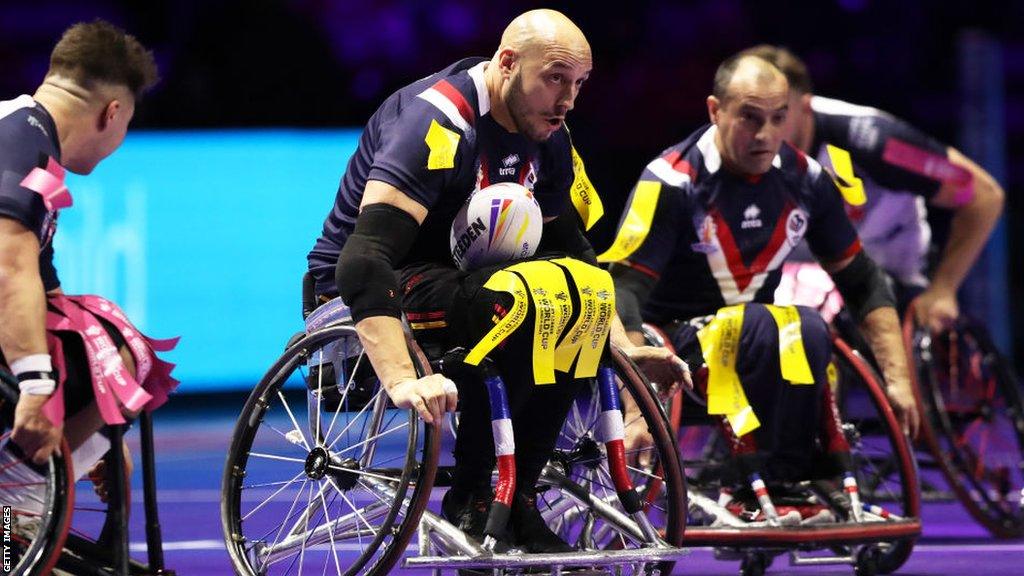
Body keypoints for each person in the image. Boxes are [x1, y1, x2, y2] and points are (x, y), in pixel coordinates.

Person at [306, 9, 687, 552]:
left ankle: (521, 496)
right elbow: (363, 260)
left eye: (579, 84)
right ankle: (475, 496)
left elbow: (575, 254)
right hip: (370, 283)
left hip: (470, 280)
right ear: (507, 63)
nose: (568, 100)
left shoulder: (549, 132)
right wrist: (400, 381)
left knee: (573, 292)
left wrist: (621, 344)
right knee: (519, 303)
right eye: (555, 79)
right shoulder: (436, 122)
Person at [609, 54, 919, 524]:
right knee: (765, 324)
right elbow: (624, 291)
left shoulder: (806, 178)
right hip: (675, 348)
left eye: (778, 119)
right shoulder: (671, 181)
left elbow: (862, 280)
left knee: (811, 327)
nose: (766, 135)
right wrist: (636, 401)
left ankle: (800, 482)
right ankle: (747, 488)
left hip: (762, 339)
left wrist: (897, 380)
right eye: (750, 118)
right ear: (716, 111)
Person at [0, 20, 174, 511]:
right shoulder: (21, 143)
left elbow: (44, 290)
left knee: (96, 334)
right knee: (125, 348)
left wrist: (103, 436)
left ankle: (29, 493)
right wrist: (36, 387)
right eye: (127, 123)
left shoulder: (24, 134)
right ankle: (20, 501)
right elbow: (8, 271)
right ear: (112, 113)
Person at [742, 45, 1005, 334]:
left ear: (805, 106)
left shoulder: (873, 139)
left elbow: (983, 195)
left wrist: (944, 289)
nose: (761, 130)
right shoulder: (723, 150)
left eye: (776, 113)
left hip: (889, 269)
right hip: (794, 278)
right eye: (749, 114)